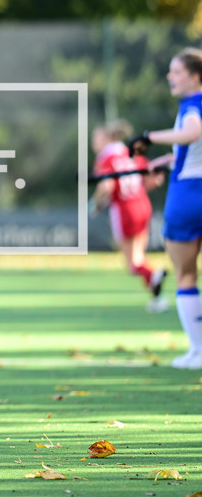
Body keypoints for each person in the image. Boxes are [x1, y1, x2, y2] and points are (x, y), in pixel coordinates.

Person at [131, 47, 202, 369]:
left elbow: (193, 133)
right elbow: (191, 150)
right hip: (188, 181)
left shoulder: (191, 106)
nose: (169, 77)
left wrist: (149, 137)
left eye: (176, 72)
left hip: (188, 196)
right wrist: (165, 161)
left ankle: (198, 351)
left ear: (195, 76)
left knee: (186, 275)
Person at [90, 119, 167, 312]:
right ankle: (158, 299)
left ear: (107, 137)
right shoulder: (130, 152)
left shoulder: (106, 158)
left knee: (133, 264)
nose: (94, 143)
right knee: (139, 257)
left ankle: (154, 274)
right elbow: (155, 179)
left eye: (96, 138)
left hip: (124, 211)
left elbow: (106, 186)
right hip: (142, 205)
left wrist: (95, 204)